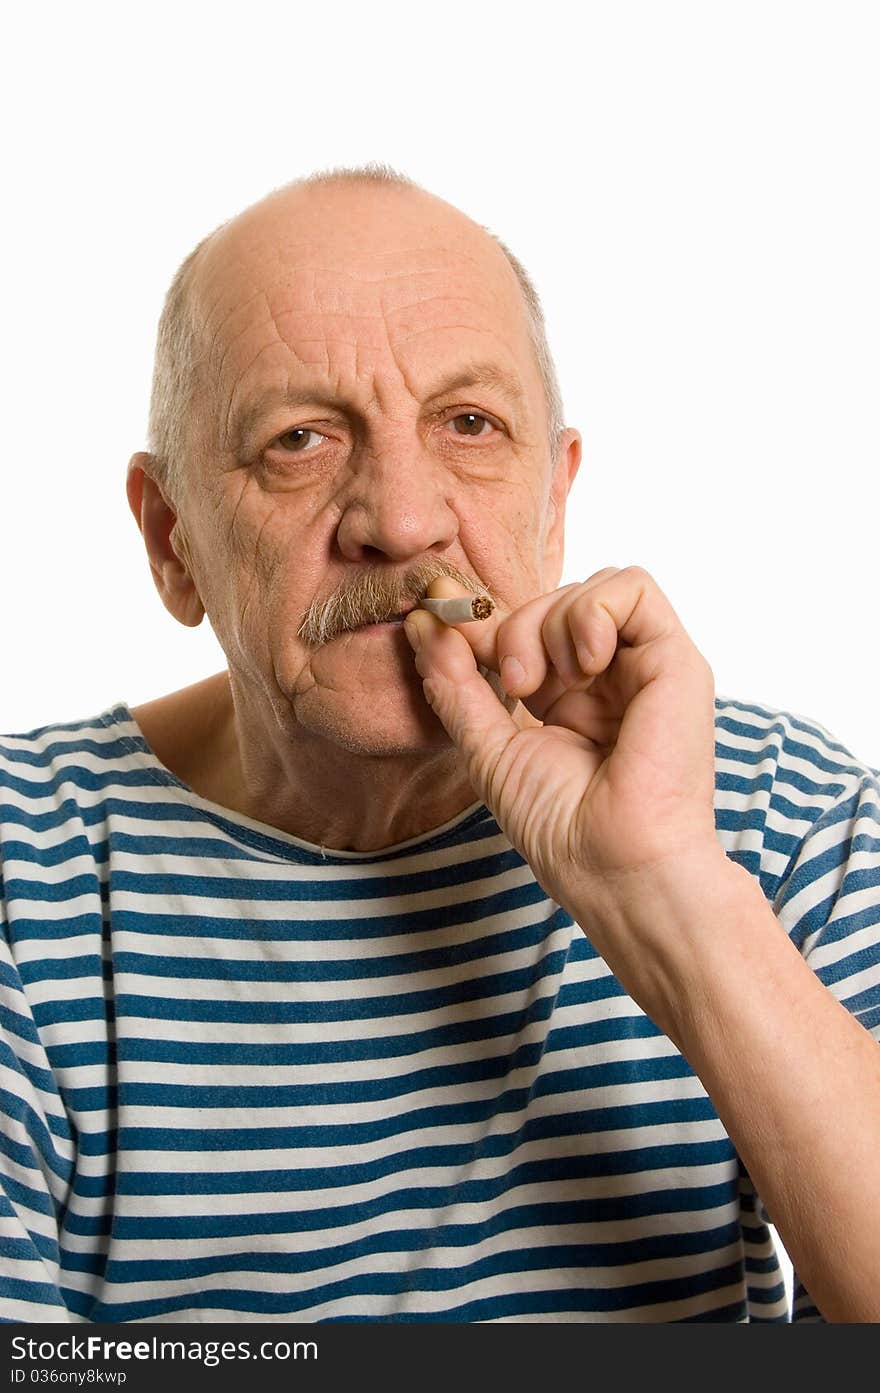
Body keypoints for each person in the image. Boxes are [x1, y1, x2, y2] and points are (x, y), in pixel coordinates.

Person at [1, 163, 878, 1326]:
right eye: (299, 439)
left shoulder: (779, 813)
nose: (402, 522)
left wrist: (673, 902)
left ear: (552, 504)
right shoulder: (26, 878)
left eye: (469, 426)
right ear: (172, 542)